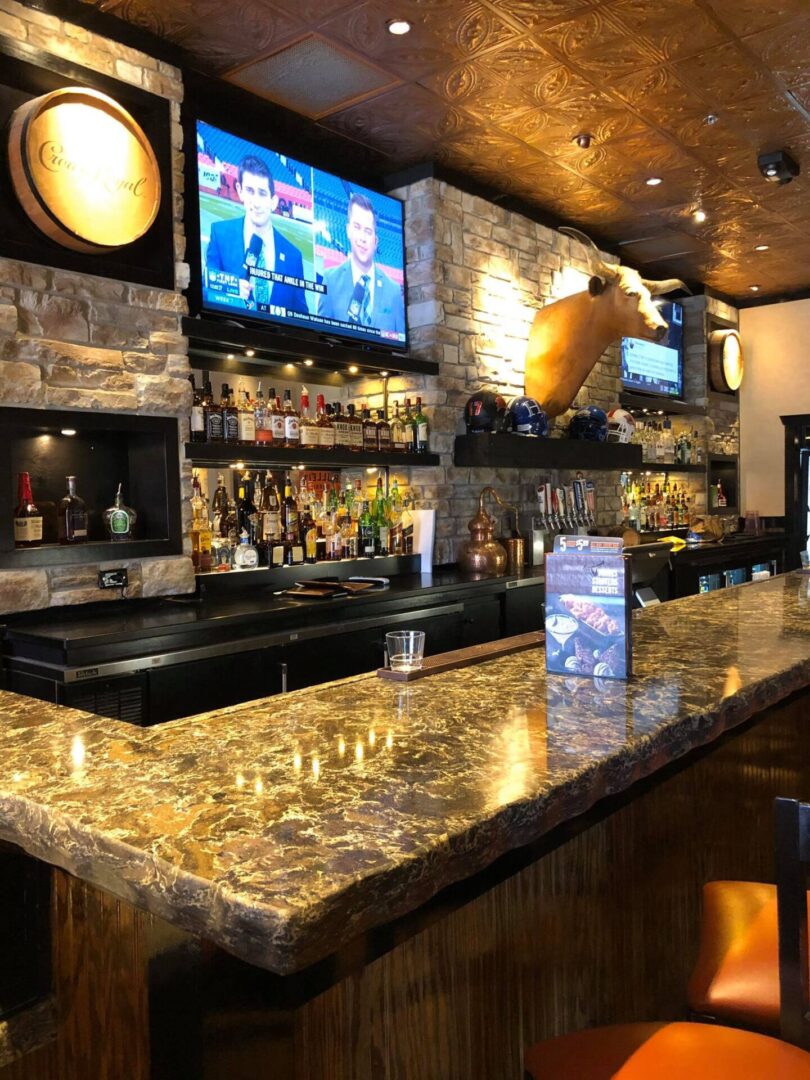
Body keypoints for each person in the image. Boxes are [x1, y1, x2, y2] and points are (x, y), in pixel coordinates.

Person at [205, 155, 309, 315]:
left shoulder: (293, 255)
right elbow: (205, 290)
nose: (256, 202)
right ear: (240, 191)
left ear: (273, 201)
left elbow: (301, 316)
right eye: (250, 191)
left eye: (262, 193)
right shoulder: (220, 234)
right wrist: (229, 292)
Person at [318, 193, 405, 334]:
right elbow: (321, 337)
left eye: (368, 231)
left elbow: (400, 341)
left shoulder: (393, 291)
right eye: (357, 227)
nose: (362, 238)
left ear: (375, 241)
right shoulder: (331, 280)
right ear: (348, 230)